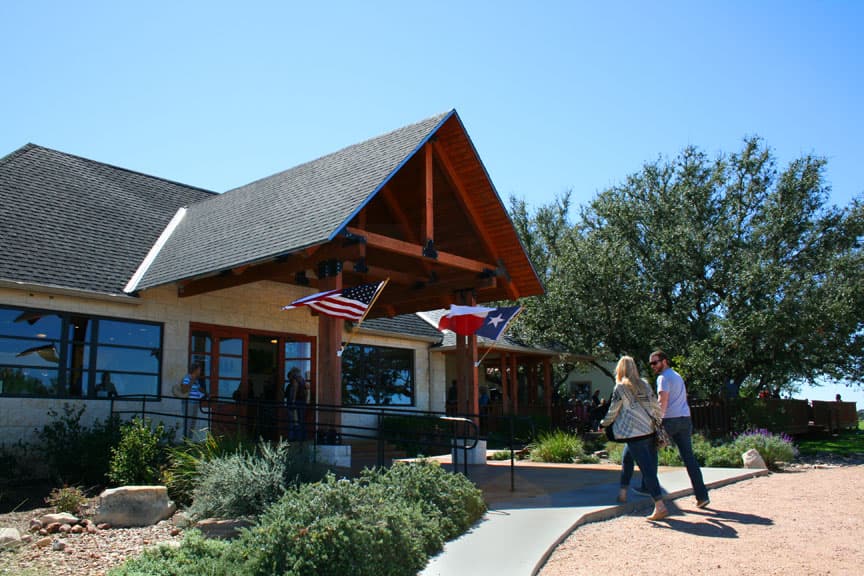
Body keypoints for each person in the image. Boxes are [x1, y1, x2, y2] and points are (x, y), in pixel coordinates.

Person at [601, 356, 669, 521]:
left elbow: (613, 410)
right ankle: (623, 492)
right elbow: (654, 405)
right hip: (649, 430)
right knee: (627, 458)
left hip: (633, 433)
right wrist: (658, 421)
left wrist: (604, 423)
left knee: (647, 470)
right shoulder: (644, 384)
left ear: (620, 369)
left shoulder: (620, 388)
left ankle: (659, 505)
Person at [650, 349, 710, 508]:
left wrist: (657, 422)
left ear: (664, 361)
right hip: (685, 419)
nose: (653, 366)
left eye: (655, 362)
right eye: (651, 364)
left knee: (650, 450)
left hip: (670, 420)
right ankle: (702, 496)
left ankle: (650, 489)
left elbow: (662, 401)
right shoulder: (677, 376)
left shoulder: (663, 378)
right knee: (689, 458)